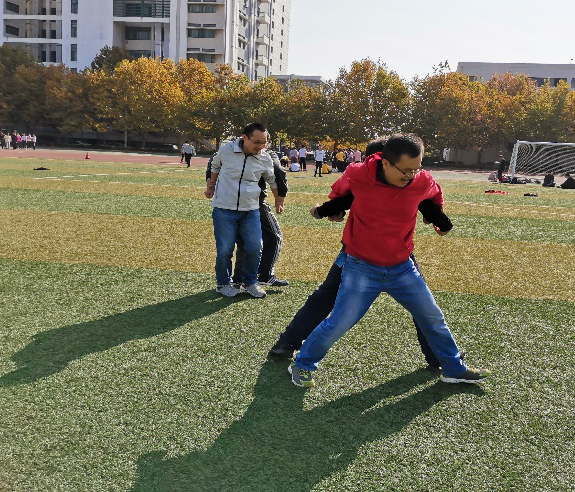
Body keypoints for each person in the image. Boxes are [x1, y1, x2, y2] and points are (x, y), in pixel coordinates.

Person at [288, 134, 490, 387]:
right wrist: (334, 211)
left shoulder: (421, 180)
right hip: (360, 266)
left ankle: (453, 369)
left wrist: (434, 217)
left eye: (416, 169)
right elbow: (339, 194)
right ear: (385, 163)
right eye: (405, 170)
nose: (411, 176)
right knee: (339, 323)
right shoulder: (359, 174)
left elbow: (433, 194)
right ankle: (303, 364)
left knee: (433, 318)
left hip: (402, 268)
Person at [205, 123, 283, 298]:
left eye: (264, 143)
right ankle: (223, 283)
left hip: (251, 209)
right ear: (244, 137)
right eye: (257, 142)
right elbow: (215, 166)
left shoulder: (264, 158)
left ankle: (250, 282)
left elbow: (272, 179)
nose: (260, 147)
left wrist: (278, 199)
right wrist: (211, 185)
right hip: (224, 209)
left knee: (255, 247)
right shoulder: (226, 151)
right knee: (225, 249)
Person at [230, 148, 289, 287]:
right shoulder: (265, 152)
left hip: (232, 203)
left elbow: (214, 164)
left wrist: (210, 183)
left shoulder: (231, 150)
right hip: (254, 202)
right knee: (274, 237)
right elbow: (278, 170)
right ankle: (266, 274)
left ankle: (238, 277)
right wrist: (280, 196)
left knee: (244, 241)